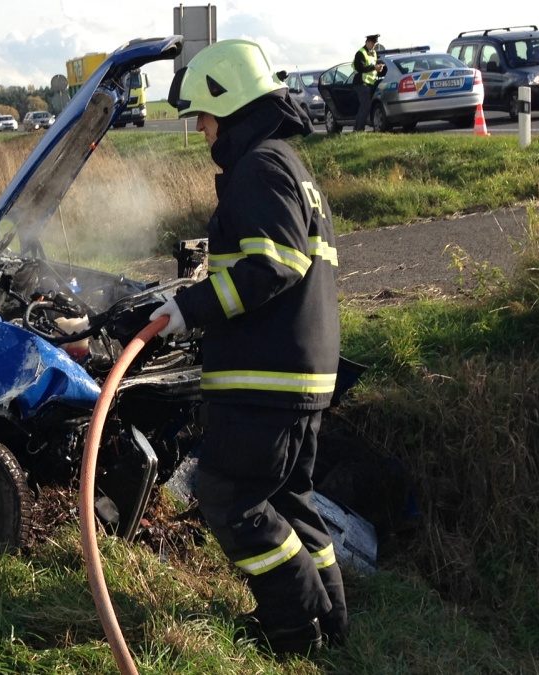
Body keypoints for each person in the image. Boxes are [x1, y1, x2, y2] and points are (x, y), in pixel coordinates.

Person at [159, 39, 347, 656]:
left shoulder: (258, 166)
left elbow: (275, 267)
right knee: (289, 497)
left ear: (229, 104)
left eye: (205, 118)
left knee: (228, 495)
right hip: (298, 372)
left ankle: (295, 625)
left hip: (269, 379)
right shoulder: (286, 162)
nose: (203, 131)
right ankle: (332, 621)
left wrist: (189, 309)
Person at [352, 34, 385, 131]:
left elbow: (373, 65)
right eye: (373, 43)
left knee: (364, 106)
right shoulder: (360, 53)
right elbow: (360, 68)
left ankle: (357, 129)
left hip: (370, 84)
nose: (374, 45)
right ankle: (360, 129)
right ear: (367, 42)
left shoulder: (373, 53)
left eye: (375, 43)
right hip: (361, 83)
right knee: (366, 106)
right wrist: (374, 67)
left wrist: (379, 68)